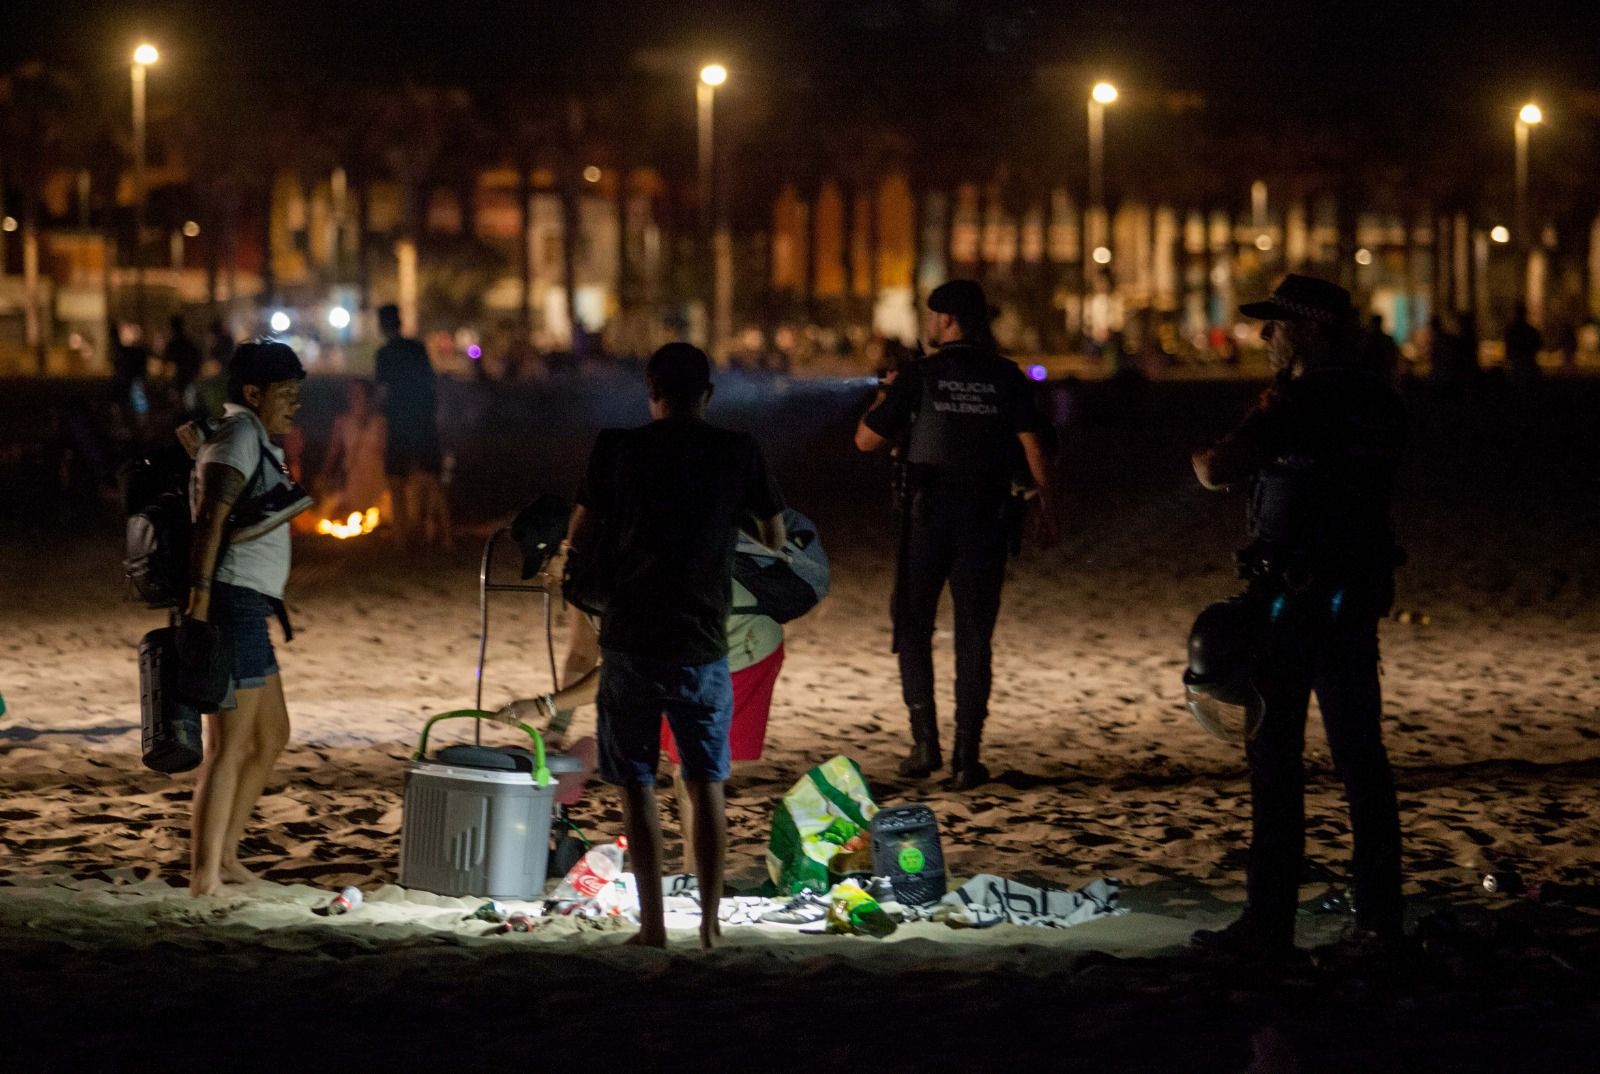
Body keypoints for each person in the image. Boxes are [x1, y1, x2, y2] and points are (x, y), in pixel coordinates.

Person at [1188, 274, 1406, 962]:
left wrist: (1214, 453)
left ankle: (1269, 921)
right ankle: (1379, 921)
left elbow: (1220, 467)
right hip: (1354, 595)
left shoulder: (1294, 402)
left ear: (1306, 330)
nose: (1264, 335)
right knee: (1361, 762)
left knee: (1274, 763)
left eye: (1275, 324)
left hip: (1289, 602)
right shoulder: (1379, 401)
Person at [563, 343, 785, 949]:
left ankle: (654, 927)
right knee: (704, 782)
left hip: (632, 637)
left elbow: (579, 534)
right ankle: (710, 928)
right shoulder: (736, 450)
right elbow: (775, 532)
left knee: (635, 783)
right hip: (702, 641)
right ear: (708, 394)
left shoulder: (616, 446)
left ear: (651, 392)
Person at [854, 279, 1057, 790]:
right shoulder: (1006, 376)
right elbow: (1034, 447)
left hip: (926, 518)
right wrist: (1047, 506)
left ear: (946, 320)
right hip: (986, 516)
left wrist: (886, 389)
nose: (926, 323)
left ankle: (925, 745)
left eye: (931, 315)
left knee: (913, 624)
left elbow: (865, 440)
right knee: (974, 635)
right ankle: (968, 756)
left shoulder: (919, 376)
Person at [183, 339, 306, 896]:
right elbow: (211, 521)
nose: (294, 404)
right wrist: (200, 605)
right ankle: (205, 875)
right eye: (285, 394)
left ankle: (227, 856)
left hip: (248, 605)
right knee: (228, 746)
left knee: (273, 734)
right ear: (253, 393)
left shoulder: (254, 437)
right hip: (230, 603)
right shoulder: (237, 437)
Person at [374, 303, 448, 547]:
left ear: (382, 325)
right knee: (433, 479)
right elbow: (431, 383)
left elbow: (382, 392)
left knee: (396, 481)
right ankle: (445, 536)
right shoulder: (418, 349)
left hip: (399, 422)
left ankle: (401, 539)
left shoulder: (384, 355)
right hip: (423, 420)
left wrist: (381, 416)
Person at [315, 378, 389, 521]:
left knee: (377, 514)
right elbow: (334, 450)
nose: (353, 396)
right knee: (355, 514)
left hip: (375, 473)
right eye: (351, 392)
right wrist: (324, 473)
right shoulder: (342, 421)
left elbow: (385, 451)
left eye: (358, 392)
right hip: (354, 475)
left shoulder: (380, 422)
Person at [164, 314, 203, 399]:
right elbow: (198, 358)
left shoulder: (173, 344)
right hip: (189, 377)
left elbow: (167, 361)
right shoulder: (189, 343)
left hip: (180, 378)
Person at [1503, 301, 1543, 383]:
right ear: (1525, 314)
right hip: (1530, 369)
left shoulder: (1510, 331)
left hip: (1516, 370)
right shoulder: (1532, 331)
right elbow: (1539, 346)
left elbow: (1508, 351)